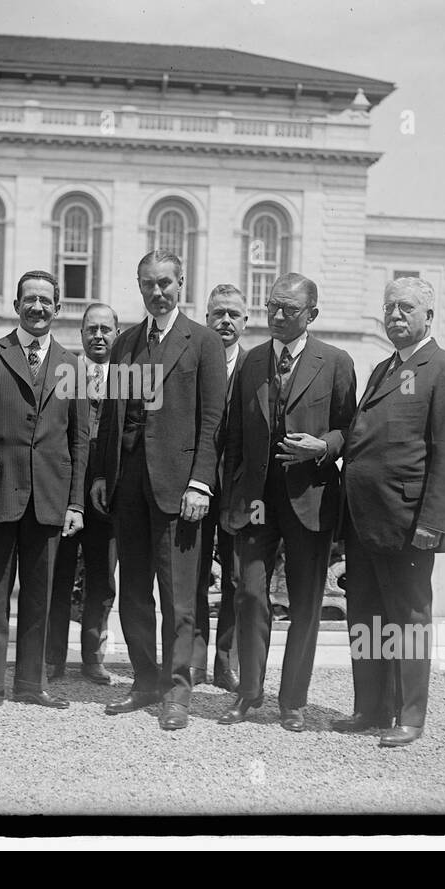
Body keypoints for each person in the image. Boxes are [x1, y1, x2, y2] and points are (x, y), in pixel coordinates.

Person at [336, 276, 445, 747]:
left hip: (408, 526)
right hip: (364, 522)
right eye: (389, 308)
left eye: (406, 309)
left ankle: (410, 716)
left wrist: (432, 524)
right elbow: (360, 437)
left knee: (409, 622)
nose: (395, 316)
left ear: (429, 318)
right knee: (366, 619)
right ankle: (371, 708)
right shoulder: (382, 369)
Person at [90, 249, 226, 731]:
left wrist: (200, 482)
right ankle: (145, 679)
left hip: (179, 489)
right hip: (129, 486)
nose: (157, 291)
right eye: (148, 283)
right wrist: (105, 474)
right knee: (134, 593)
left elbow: (213, 420)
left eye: (165, 282)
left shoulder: (204, 343)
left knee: (178, 597)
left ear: (181, 282)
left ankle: (177, 690)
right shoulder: (126, 343)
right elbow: (112, 414)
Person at [219, 273, 357, 731]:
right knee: (250, 595)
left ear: (311, 315)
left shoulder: (336, 363)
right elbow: (235, 436)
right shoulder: (252, 362)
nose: (277, 317)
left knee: (305, 604)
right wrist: (232, 496)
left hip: (310, 498)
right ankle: (249, 692)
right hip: (256, 502)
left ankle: (292, 700)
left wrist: (323, 448)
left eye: (289, 310)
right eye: (271, 307)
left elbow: (348, 429)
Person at [0, 271, 89, 712]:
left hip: (50, 497)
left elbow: (78, 440)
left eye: (46, 301)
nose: (37, 307)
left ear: (58, 308)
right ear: (16, 305)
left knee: (42, 596)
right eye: (29, 299)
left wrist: (75, 503)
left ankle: (31, 683)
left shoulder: (73, 364)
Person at [46, 303, 120, 686]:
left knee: (102, 579)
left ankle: (93, 658)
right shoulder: (64, 374)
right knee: (58, 575)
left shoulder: (129, 379)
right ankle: (53, 658)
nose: (98, 335)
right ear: (81, 334)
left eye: (106, 329)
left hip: (106, 497)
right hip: (64, 491)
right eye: (91, 329)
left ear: (117, 333)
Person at [192, 284, 249, 691]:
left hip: (239, 490)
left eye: (232, 314)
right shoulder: (193, 360)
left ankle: (225, 662)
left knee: (235, 578)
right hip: (195, 486)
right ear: (206, 318)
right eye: (217, 314)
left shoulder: (256, 366)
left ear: (245, 322)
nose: (225, 321)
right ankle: (193, 662)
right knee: (193, 575)